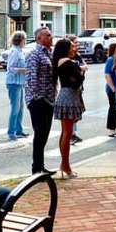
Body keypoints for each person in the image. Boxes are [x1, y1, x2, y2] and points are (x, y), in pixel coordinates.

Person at [52, 38, 85, 179]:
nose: (74, 49)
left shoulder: (62, 62)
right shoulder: (67, 63)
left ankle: (64, 164)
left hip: (66, 96)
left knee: (65, 132)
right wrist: (82, 71)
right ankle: (65, 166)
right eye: (72, 47)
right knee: (67, 133)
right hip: (69, 97)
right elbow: (77, 81)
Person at [25, 27, 56, 174]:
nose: (51, 37)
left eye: (51, 35)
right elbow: (32, 78)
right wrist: (37, 98)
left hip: (49, 99)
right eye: (48, 35)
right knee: (39, 133)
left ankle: (40, 165)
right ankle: (36, 168)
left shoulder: (49, 53)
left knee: (44, 134)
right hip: (38, 100)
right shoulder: (34, 54)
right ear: (39, 38)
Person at [5, 31, 29, 140]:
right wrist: (24, 70)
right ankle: (11, 132)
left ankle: (19, 130)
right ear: (19, 40)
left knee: (20, 108)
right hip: (13, 82)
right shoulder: (14, 52)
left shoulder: (20, 51)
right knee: (15, 108)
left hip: (19, 83)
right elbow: (11, 68)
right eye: (24, 39)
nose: (25, 41)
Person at [103, 43, 116, 138]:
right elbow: (107, 75)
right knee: (113, 107)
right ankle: (111, 129)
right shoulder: (110, 60)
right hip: (112, 88)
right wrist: (113, 88)